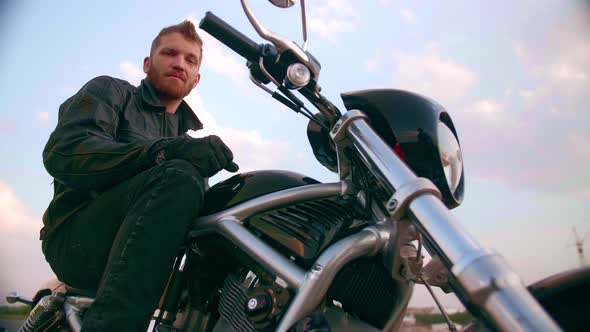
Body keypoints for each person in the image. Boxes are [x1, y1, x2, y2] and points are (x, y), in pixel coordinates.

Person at [40, 20, 238, 331]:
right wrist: (165, 151)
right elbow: (66, 151)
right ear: (148, 63)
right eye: (169, 53)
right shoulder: (111, 91)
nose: (178, 63)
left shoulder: (188, 145)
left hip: (156, 263)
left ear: (196, 79)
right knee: (180, 176)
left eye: (190, 59)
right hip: (76, 239)